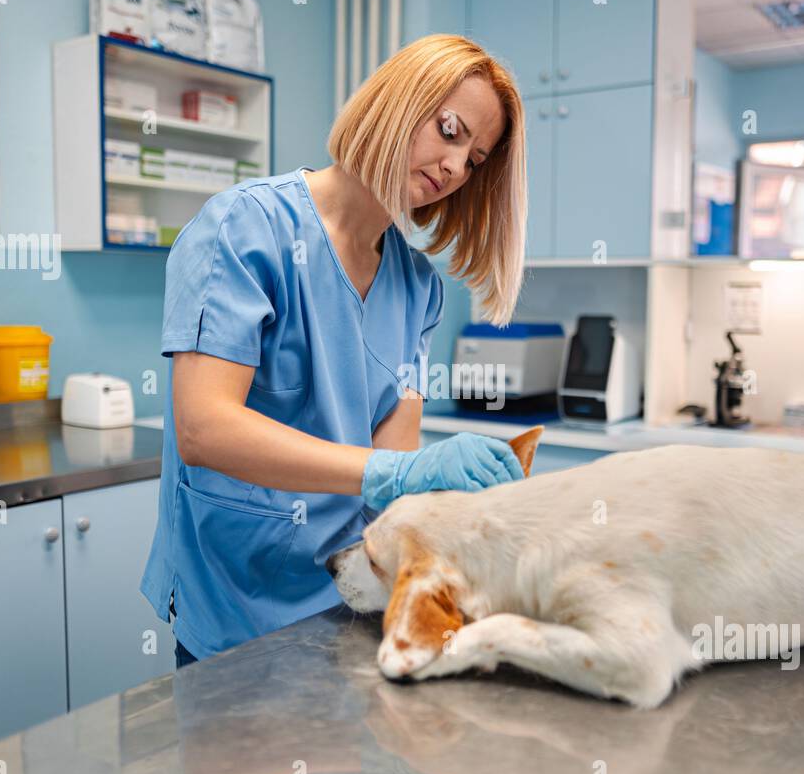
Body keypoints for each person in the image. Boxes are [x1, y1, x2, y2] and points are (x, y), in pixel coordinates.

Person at [139, 34, 531, 669]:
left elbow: (394, 466)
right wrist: (395, 472)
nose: (457, 167)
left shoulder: (417, 288)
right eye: (450, 130)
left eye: (476, 159)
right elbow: (204, 429)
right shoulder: (244, 228)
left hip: (348, 595)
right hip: (235, 597)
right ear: (396, 103)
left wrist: (459, 517)